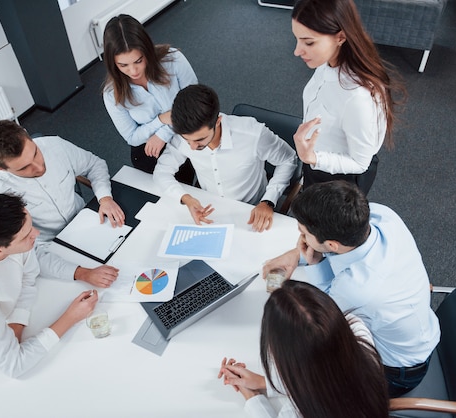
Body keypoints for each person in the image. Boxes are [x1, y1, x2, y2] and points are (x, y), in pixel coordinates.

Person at [263, 181, 440, 396]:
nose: (300, 236)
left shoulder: (357, 290)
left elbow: (320, 319)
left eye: (303, 232)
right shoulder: (382, 216)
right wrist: (294, 255)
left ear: (332, 245)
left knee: (309, 377)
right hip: (422, 332)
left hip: (397, 372)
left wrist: (310, 267)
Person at [0, 193, 98, 378]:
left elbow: (29, 274)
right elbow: (13, 366)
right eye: (26, 236)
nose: (36, 234)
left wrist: (17, 323)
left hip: (9, 315)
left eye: (31, 225)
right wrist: (70, 318)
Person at [0, 120, 123, 288]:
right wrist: (81, 273)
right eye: (24, 168)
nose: (39, 167)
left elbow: (94, 164)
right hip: (51, 249)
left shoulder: (54, 145)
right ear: (1, 169)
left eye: (35, 153)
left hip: (89, 219)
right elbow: (28, 253)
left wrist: (105, 198)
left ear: (27, 134)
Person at [218, 281, 389, 418]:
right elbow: (324, 369)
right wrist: (263, 383)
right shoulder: (357, 330)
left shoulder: (296, 412)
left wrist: (252, 397)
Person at [290, 0, 405, 194]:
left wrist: (313, 158)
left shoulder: (358, 97)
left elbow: (361, 163)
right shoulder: (326, 63)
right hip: (314, 161)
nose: (297, 51)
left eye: (309, 42)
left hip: (338, 181)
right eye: (297, 39)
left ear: (340, 37)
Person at [153, 84, 298, 232]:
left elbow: (288, 159)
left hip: (251, 211)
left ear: (217, 121)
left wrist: (268, 201)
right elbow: (161, 172)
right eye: (187, 140)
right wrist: (186, 198)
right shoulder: (182, 137)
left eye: (199, 140)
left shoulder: (252, 134)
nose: (192, 147)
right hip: (210, 209)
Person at [102, 14, 196, 183]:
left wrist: (163, 134)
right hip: (149, 150)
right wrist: (161, 119)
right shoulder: (111, 93)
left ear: (147, 50)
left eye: (138, 60)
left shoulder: (173, 59)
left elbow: (194, 102)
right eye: (123, 65)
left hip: (189, 134)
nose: (133, 71)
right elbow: (132, 137)